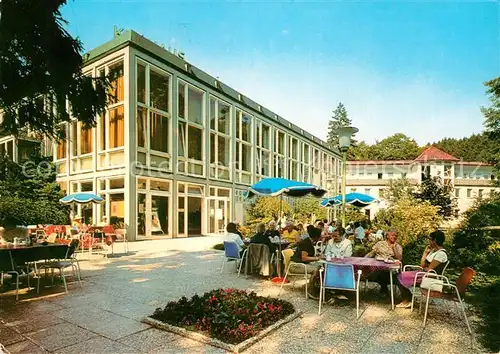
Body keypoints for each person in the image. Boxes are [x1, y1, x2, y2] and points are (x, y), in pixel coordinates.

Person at [396, 230, 448, 308]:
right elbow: (422, 265)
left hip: (431, 278)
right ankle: (409, 298)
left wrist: (424, 268)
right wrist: (425, 253)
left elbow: (430, 269)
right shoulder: (433, 251)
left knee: (400, 276)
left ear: (435, 240)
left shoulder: (441, 254)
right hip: (424, 274)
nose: (429, 241)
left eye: (430, 239)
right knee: (399, 275)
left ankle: (407, 299)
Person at [366, 228, 403, 294]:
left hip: (391, 270)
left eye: (395, 236)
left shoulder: (398, 246)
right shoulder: (380, 244)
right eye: (392, 235)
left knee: (385, 273)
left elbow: (399, 258)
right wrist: (364, 259)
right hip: (377, 267)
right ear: (387, 236)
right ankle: (384, 288)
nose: (394, 237)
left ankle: (384, 289)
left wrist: (394, 247)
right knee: (379, 272)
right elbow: (371, 253)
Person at [289, 227, 322, 298]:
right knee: (317, 269)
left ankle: (315, 286)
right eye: (319, 237)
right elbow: (304, 258)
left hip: (299, 264)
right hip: (295, 266)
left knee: (320, 267)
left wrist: (316, 257)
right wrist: (317, 258)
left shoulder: (308, 241)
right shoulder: (306, 243)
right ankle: (311, 291)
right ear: (316, 237)